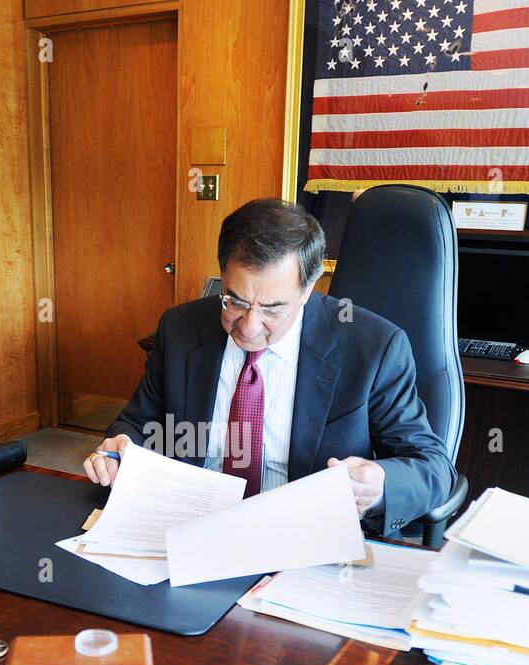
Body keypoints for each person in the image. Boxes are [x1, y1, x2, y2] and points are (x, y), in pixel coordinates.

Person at [85, 197, 455, 538]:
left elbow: (434, 468)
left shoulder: (374, 348)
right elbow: (137, 424)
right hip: (194, 530)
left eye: (273, 309)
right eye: (235, 301)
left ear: (308, 289)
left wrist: (380, 484)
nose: (248, 326)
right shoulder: (180, 329)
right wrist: (120, 449)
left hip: (302, 538)